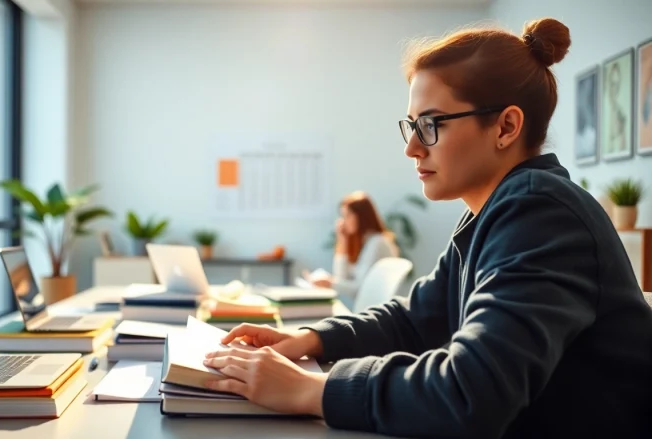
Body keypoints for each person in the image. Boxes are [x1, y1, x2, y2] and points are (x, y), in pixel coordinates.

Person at [201, 17, 652, 438]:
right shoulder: (493, 212)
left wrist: (310, 390)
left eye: (432, 124)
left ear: (506, 126)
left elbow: (471, 393)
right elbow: (417, 319)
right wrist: (309, 340)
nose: (413, 148)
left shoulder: (542, 214)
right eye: (412, 126)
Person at [303, 191, 399, 303]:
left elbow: (359, 290)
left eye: (347, 215)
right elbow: (342, 278)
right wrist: (342, 240)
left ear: (362, 217)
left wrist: (329, 283)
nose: (343, 222)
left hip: (376, 308)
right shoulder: (364, 243)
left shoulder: (377, 243)